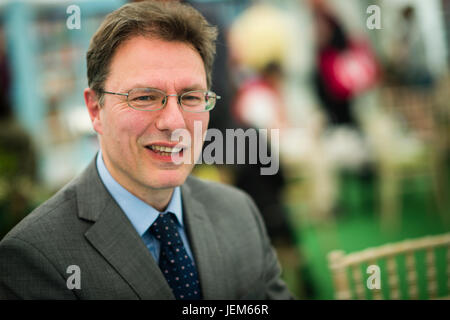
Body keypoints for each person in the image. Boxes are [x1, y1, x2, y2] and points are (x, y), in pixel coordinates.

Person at [0, 1, 292, 300]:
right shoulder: (34, 259)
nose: (175, 122)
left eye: (191, 97)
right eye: (144, 97)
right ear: (95, 109)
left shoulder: (238, 213)